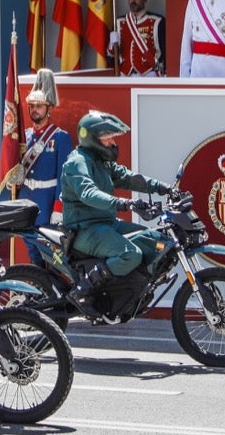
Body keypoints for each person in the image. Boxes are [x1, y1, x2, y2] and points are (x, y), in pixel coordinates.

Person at [59, 111, 176, 308]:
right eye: (107, 138)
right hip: (84, 229)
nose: (113, 142)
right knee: (130, 254)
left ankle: (127, 292)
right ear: (92, 139)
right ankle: (84, 290)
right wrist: (123, 203)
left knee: (153, 242)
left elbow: (128, 178)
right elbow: (88, 193)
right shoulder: (77, 163)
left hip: (106, 224)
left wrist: (163, 188)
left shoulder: (101, 161)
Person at [2, 70, 72, 224]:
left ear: (49, 109)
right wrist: (13, 179)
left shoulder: (60, 138)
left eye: (39, 106)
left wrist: (59, 208)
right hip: (26, 199)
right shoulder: (24, 136)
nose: (34, 109)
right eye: (32, 106)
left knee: (44, 246)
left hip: (46, 201)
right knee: (30, 245)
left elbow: (64, 178)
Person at [113, 0, 165, 76]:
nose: (133, 0)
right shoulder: (119, 22)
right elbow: (111, 55)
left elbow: (164, 53)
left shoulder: (157, 21)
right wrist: (111, 45)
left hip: (149, 74)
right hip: (125, 75)